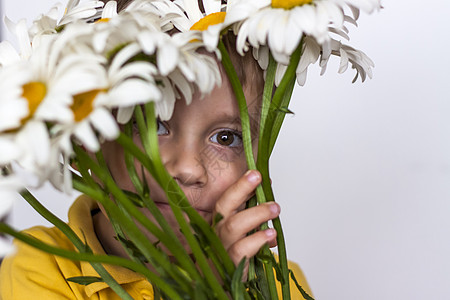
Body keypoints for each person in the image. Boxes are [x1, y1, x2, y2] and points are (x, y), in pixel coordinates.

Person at [0, 1, 312, 298]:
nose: (188, 168)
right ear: (84, 134)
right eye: (152, 125)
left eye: (226, 138)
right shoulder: (38, 267)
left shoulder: (282, 283)